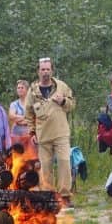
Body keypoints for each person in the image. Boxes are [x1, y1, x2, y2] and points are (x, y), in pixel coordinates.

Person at [25, 58, 76, 203]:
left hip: (61, 133)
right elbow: (28, 113)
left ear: (52, 70)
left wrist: (63, 101)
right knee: (45, 167)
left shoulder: (62, 87)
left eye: (48, 69)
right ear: (38, 71)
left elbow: (72, 105)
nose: (45, 72)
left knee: (64, 162)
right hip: (43, 135)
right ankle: (49, 198)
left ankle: (65, 197)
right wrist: (32, 132)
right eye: (42, 69)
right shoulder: (32, 91)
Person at [8, 79, 31, 147]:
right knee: (17, 154)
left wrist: (18, 118)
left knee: (31, 154)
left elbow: (36, 118)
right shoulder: (14, 104)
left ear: (27, 90)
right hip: (16, 133)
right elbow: (11, 116)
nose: (20, 89)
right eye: (18, 88)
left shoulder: (32, 103)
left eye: (22, 88)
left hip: (29, 132)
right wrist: (26, 117)